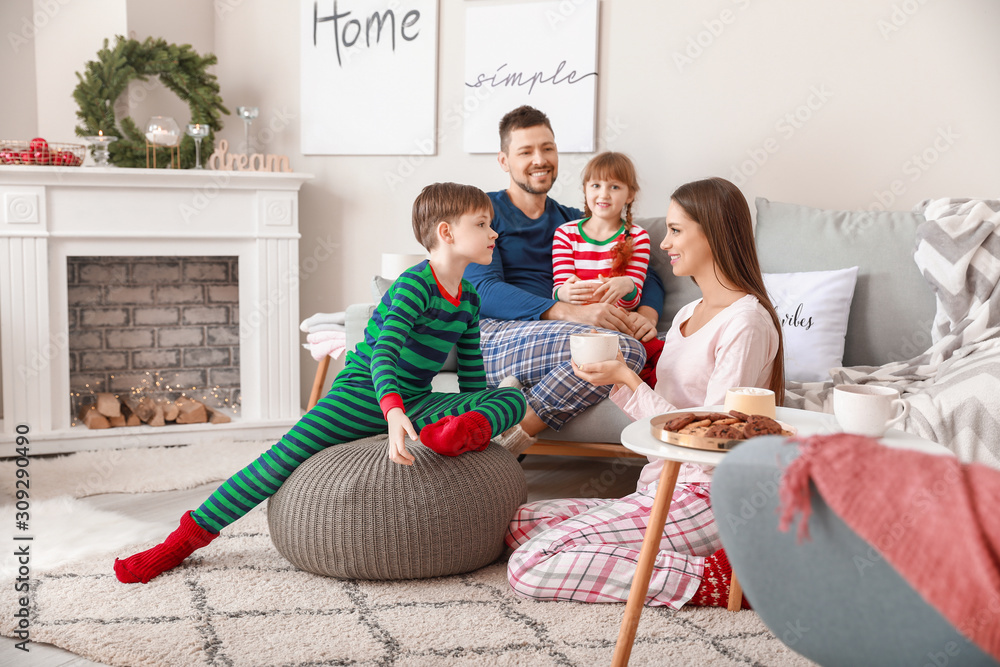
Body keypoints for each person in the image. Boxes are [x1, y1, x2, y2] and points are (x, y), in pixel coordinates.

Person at [114, 182, 527, 584]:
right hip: (360, 396)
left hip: (417, 401)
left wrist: (479, 413)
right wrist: (394, 411)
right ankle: (177, 544)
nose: (494, 233)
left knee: (510, 399)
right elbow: (383, 354)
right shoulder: (414, 285)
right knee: (273, 464)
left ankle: (454, 436)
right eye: (482, 224)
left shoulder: (469, 299)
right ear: (446, 232)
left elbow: (474, 379)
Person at [505, 177, 785, 608]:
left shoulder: (745, 321)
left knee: (530, 562)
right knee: (521, 522)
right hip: (659, 484)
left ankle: (717, 579)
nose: (665, 243)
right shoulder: (690, 312)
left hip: (705, 493)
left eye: (675, 230)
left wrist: (629, 380)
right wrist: (616, 378)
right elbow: (665, 417)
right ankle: (642, 555)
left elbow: (714, 440)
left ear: (712, 232)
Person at [466, 107, 666, 455]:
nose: (539, 159)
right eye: (525, 152)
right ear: (503, 160)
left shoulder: (573, 222)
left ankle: (513, 414)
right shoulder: (484, 212)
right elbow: (482, 292)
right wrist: (568, 311)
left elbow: (648, 274)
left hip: (554, 340)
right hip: (494, 336)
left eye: (548, 148)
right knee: (621, 351)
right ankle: (510, 431)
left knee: (622, 349)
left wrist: (646, 315)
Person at [552, 151, 650, 311]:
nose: (604, 194)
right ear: (585, 189)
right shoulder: (565, 234)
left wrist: (628, 286)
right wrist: (562, 293)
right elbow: (560, 290)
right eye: (596, 185)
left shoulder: (638, 237)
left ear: (630, 195)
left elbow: (631, 304)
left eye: (615, 187)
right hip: (575, 319)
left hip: (615, 321)